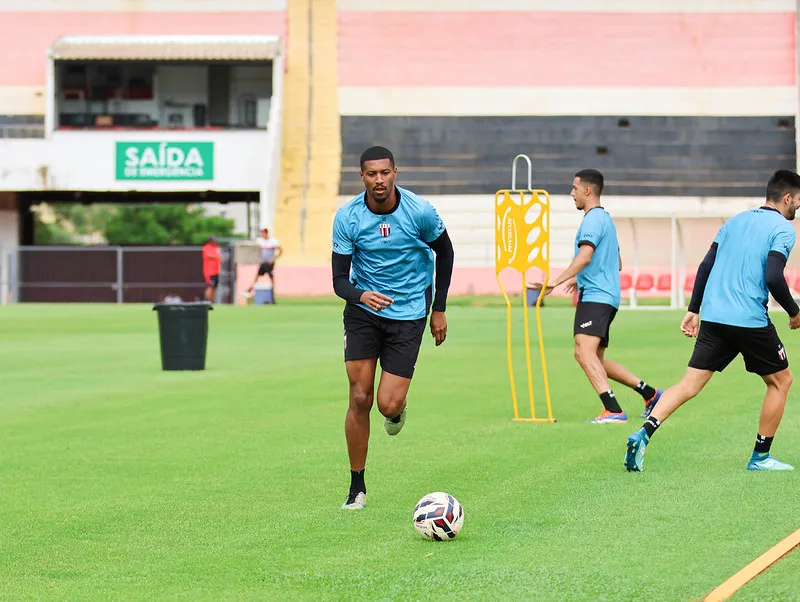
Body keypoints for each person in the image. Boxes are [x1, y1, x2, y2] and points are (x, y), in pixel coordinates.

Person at [625, 169, 800, 472]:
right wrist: (794, 312)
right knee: (781, 381)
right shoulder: (783, 229)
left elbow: (706, 265)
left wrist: (693, 309)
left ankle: (644, 432)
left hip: (714, 316)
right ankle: (760, 457)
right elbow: (773, 276)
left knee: (689, 384)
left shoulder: (734, 221)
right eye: (798, 200)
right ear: (787, 198)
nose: (798, 206)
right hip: (748, 318)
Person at [331, 145, 454, 510]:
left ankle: (397, 410)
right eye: (372, 174)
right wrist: (360, 295)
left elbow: (445, 253)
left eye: (385, 173)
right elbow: (339, 280)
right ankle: (356, 487)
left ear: (395, 172)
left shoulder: (420, 211)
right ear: (362, 177)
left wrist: (439, 309)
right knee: (359, 397)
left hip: (410, 311)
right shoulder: (348, 217)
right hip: (363, 312)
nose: (379, 180)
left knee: (387, 404)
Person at [528, 169, 662, 423]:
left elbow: (586, 256)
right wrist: (580, 279)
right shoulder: (605, 220)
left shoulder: (592, 220)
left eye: (575, 188)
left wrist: (556, 281)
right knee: (594, 359)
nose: (572, 193)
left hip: (597, 297)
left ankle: (614, 410)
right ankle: (651, 394)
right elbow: (616, 262)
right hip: (605, 295)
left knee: (584, 353)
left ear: (587, 191)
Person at [247, 227, 283, 302]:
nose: (262, 234)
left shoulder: (273, 241)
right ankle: (249, 290)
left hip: (269, 264)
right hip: (263, 263)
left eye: (263, 233)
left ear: (266, 233)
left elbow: (280, 250)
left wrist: (273, 259)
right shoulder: (260, 241)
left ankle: (272, 296)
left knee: (272, 279)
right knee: (257, 277)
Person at [201, 235, 221, 303]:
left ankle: (212, 302)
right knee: (210, 286)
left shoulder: (216, 247)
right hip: (209, 271)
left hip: (216, 271)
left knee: (214, 287)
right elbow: (210, 255)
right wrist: (217, 256)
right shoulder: (207, 247)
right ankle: (207, 301)